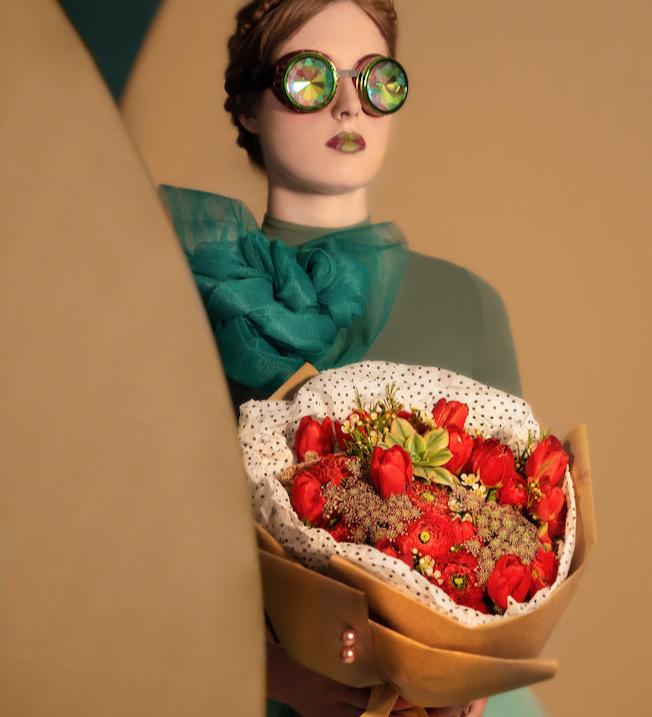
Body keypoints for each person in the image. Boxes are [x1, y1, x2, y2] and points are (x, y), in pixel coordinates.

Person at [160, 2, 547, 716]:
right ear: (248, 105)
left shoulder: (468, 302)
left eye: (378, 80)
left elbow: (526, 529)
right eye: (309, 79)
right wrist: (286, 677)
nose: (348, 105)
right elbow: (140, 537)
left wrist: (469, 669)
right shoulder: (178, 295)